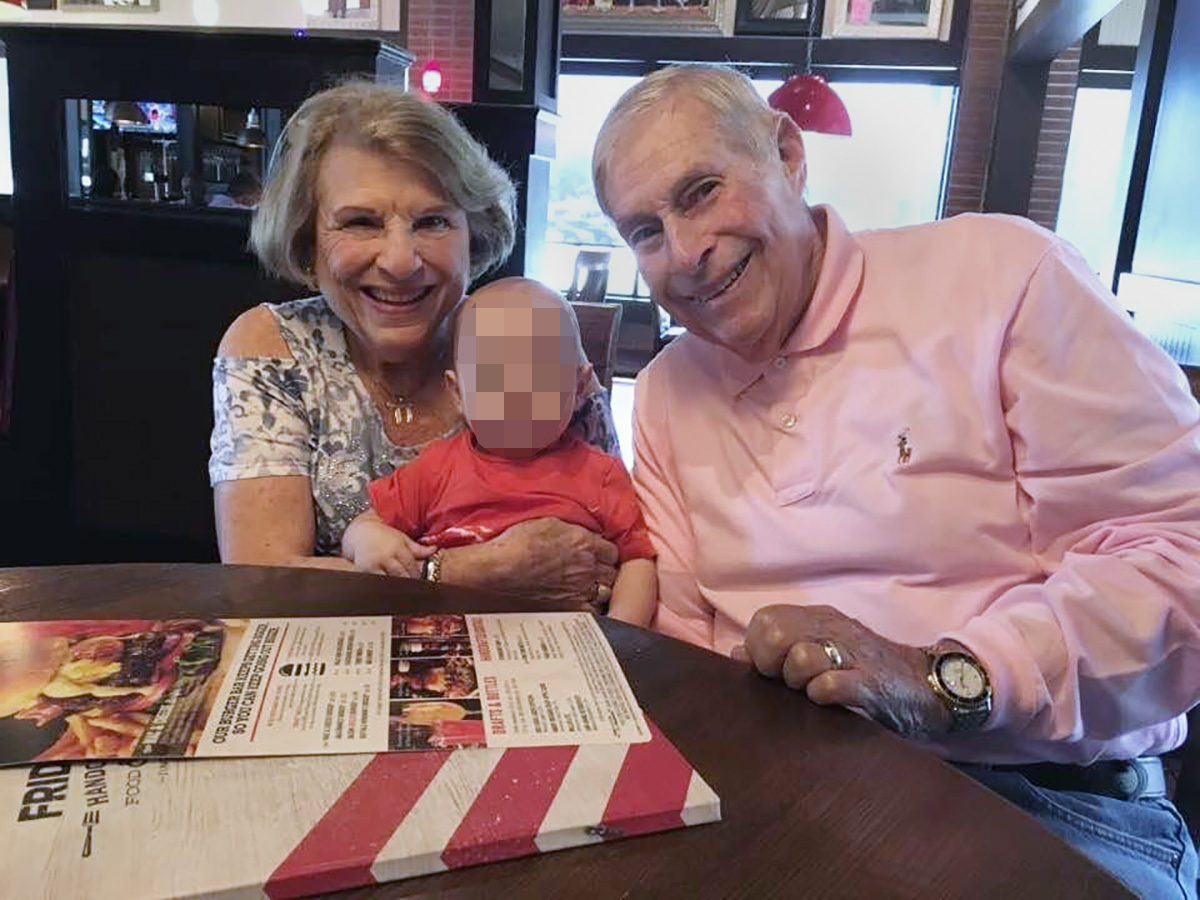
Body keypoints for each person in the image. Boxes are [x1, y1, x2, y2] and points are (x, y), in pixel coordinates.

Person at [594, 64, 1200, 897]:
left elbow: (1178, 559)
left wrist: (942, 677)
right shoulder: (666, 390)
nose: (685, 252)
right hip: (781, 797)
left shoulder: (1002, 275)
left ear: (787, 153)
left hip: (1047, 807)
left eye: (700, 192)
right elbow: (683, 639)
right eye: (645, 231)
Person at [210, 81, 622, 611]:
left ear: (473, 233)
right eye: (360, 222)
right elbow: (259, 582)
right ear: (308, 241)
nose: (401, 261)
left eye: (432, 221)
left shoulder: (533, 338)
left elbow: (605, 559)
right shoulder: (272, 349)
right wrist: (471, 573)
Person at [342, 277, 658, 626]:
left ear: (579, 387)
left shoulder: (601, 474)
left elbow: (638, 561)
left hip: (565, 648)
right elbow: (366, 524)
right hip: (447, 640)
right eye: (493, 376)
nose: (517, 394)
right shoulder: (435, 468)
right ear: (458, 393)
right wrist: (369, 541)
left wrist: (621, 635)